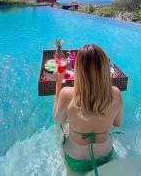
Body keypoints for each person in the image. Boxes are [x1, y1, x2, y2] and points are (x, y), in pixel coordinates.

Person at [53, 44, 123, 175]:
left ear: (78, 70)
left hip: (76, 159)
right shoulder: (116, 93)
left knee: (65, 128)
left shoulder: (67, 94)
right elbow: (117, 123)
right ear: (105, 69)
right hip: (105, 156)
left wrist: (58, 83)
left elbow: (58, 120)